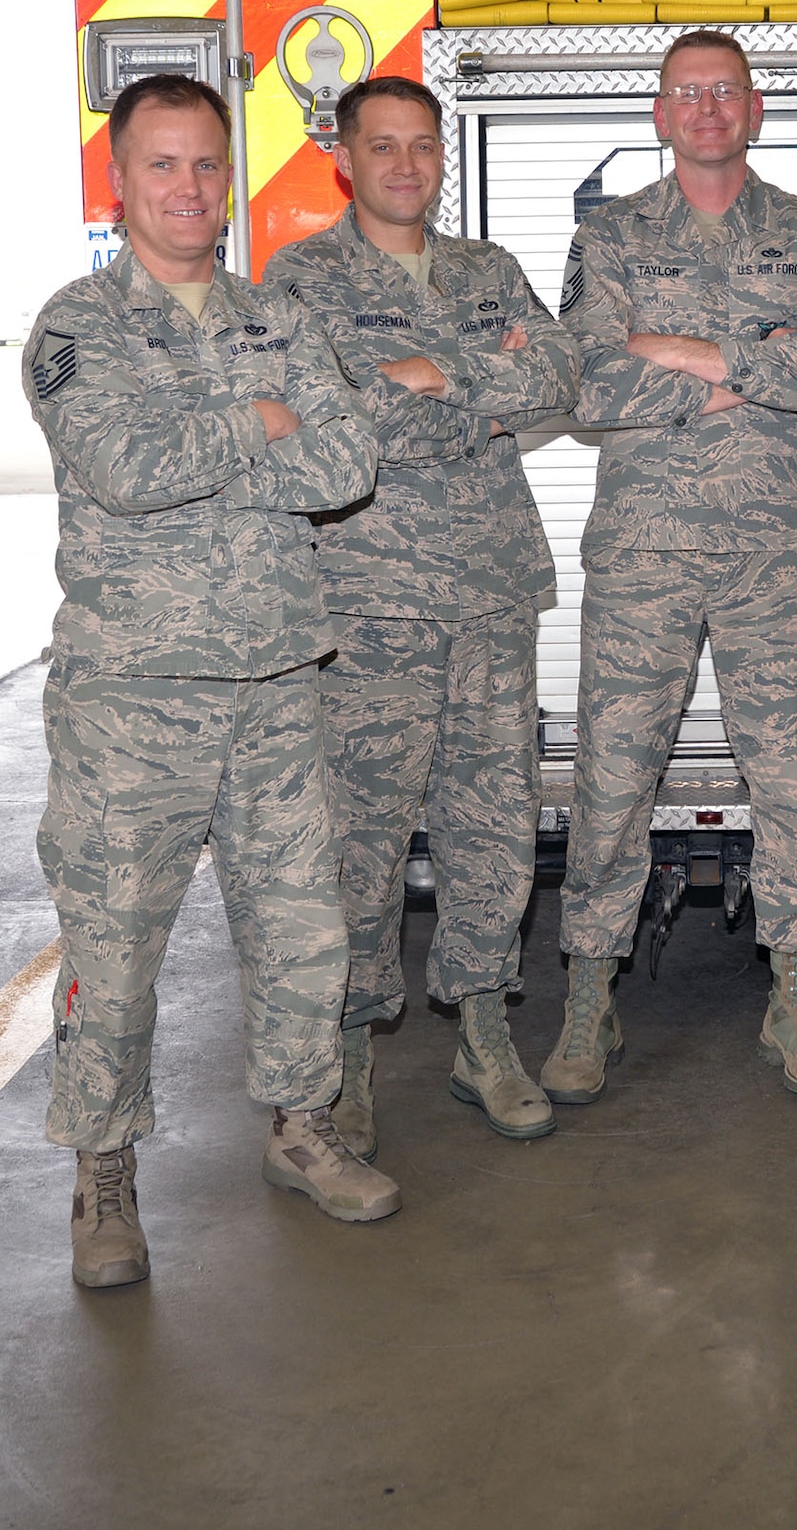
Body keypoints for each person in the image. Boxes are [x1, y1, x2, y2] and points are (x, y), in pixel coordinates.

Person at [26, 75, 398, 1291]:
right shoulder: (78, 327)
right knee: (119, 939)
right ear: (119, 182)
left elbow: (346, 459)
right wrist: (262, 420)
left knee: (301, 926)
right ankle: (104, 1174)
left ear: (227, 178)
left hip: (278, 679)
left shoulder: (277, 314)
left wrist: (250, 425)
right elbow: (126, 465)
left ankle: (301, 1127)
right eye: (161, 167)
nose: (188, 189)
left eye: (205, 166)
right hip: (135, 695)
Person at [544, 30, 797, 1101]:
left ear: (754, 105)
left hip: (769, 553)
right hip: (643, 551)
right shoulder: (611, 237)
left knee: (787, 777)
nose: (706, 107)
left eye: (723, 90)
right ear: (658, 110)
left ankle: (796, 995)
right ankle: (589, 993)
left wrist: (678, 349)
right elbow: (584, 383)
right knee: (611, 774)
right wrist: (737, 376)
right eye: (686, 91)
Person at [267, 77, 579, 1155]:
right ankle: (347, 1052)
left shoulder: (488, 270)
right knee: (358, 837)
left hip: (491, 589)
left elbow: (560, 373)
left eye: (422, 147)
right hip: (366, 601)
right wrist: (468, 390)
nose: (406, 165)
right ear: (343, 161)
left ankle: (483, 1032)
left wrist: (422, 375)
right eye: (382, 146)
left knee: (492, 824)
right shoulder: (300, 281)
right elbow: (316, 421)